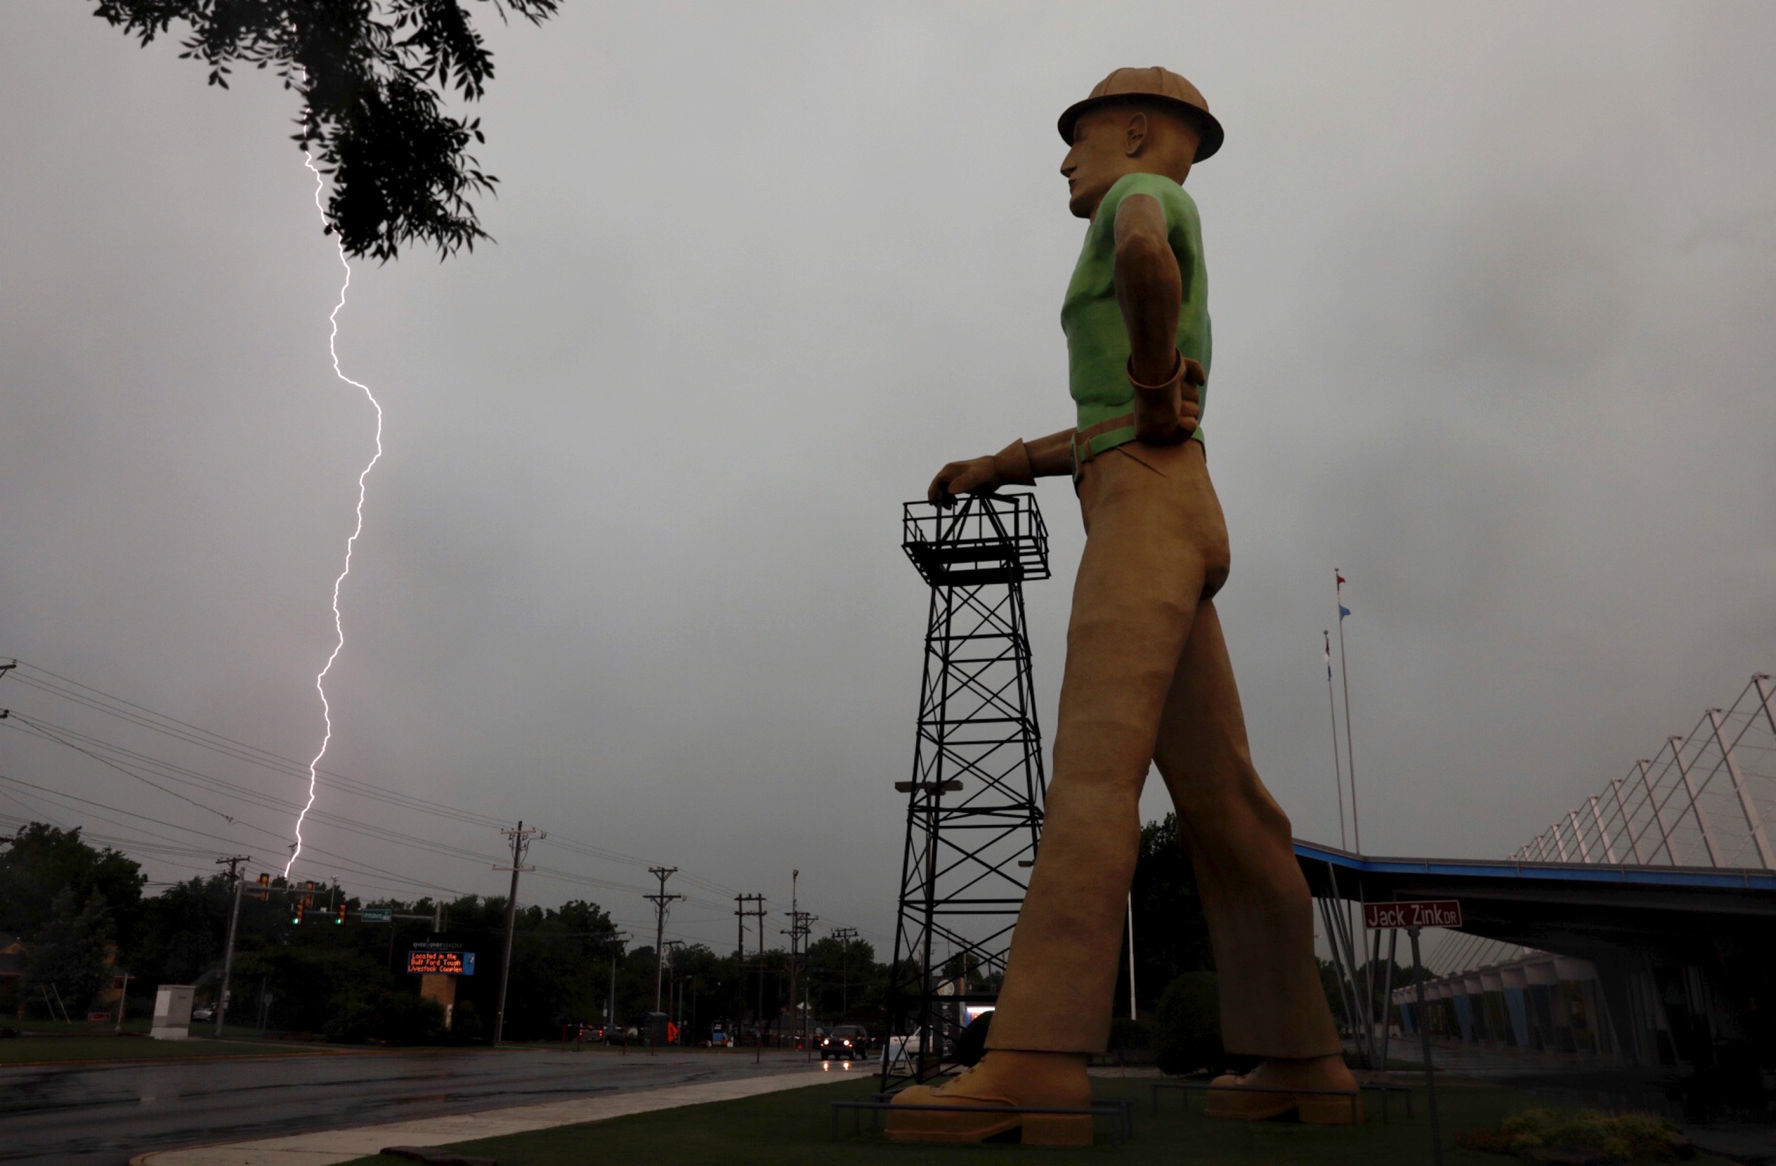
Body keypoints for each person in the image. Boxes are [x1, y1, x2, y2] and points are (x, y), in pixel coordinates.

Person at [886, 67, 1356, 1146]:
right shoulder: (1161, 208)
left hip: (1145, 509)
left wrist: (1149, 389)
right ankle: (1306, 1057)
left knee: (1095, 779)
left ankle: (1034, 1061)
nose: (1065, 160)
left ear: (1137, 132)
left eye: (1079, 138)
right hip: (1162, 492)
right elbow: (1110, 422)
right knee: (1231, 805)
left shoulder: (1147, 206)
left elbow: (1144, 267)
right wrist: (1003, 459)